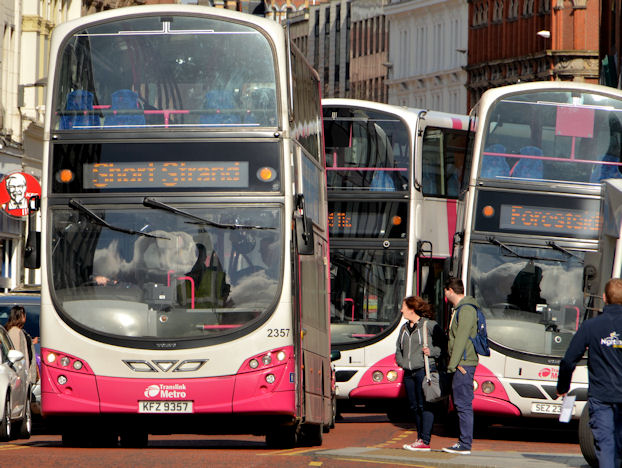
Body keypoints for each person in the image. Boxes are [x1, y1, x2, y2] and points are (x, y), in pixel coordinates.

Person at [556, 278, 622, 468]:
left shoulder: (591, 326)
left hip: (601, 396)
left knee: (606, 444)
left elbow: (569, 360)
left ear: (604, 298)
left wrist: (563, 387)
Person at [397, 296, 441, 452]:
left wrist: (432, 352)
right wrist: (401, 363)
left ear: (412, 309)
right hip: (408, 373)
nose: (401, 310)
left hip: (424, 371)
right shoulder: (404, 328)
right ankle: (420, 438)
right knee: (414, 407)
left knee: (425, 405)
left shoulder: (428, 325)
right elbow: (398, 348)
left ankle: (425, 440)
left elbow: (443, 345)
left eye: (403, 307)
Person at [443, 276, 479, 455]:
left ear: (450, 290)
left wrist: (453, 365)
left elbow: (461, 339)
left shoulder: (465, 310)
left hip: (463, 364)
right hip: (462, 363)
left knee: (463, 404)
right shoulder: (461, 309)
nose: (444, 294)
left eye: (445, 291)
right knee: (461, 403)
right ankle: (463, 442)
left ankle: (465, 443)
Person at [4, 305, 31, 374]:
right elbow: (17, 351)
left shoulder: (19, 331)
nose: (25, 316)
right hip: (19, 371)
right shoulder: (15, 332)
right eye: (23, 314)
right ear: (19, 316)